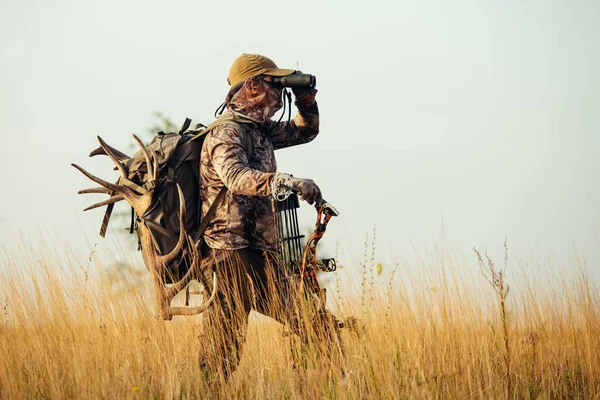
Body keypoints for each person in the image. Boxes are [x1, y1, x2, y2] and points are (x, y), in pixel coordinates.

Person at [196, 54, 342, 382]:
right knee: (302, 321)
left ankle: (209, 388)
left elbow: (305, 131)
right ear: (252, 86)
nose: (278, 93)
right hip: (233, 249)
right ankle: (336, 382)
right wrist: (286, 181)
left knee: (227, 331)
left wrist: (305, 101)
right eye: (273, 83)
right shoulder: (227, 133)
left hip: (257, 248)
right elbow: (235, 177)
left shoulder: (258, 131)